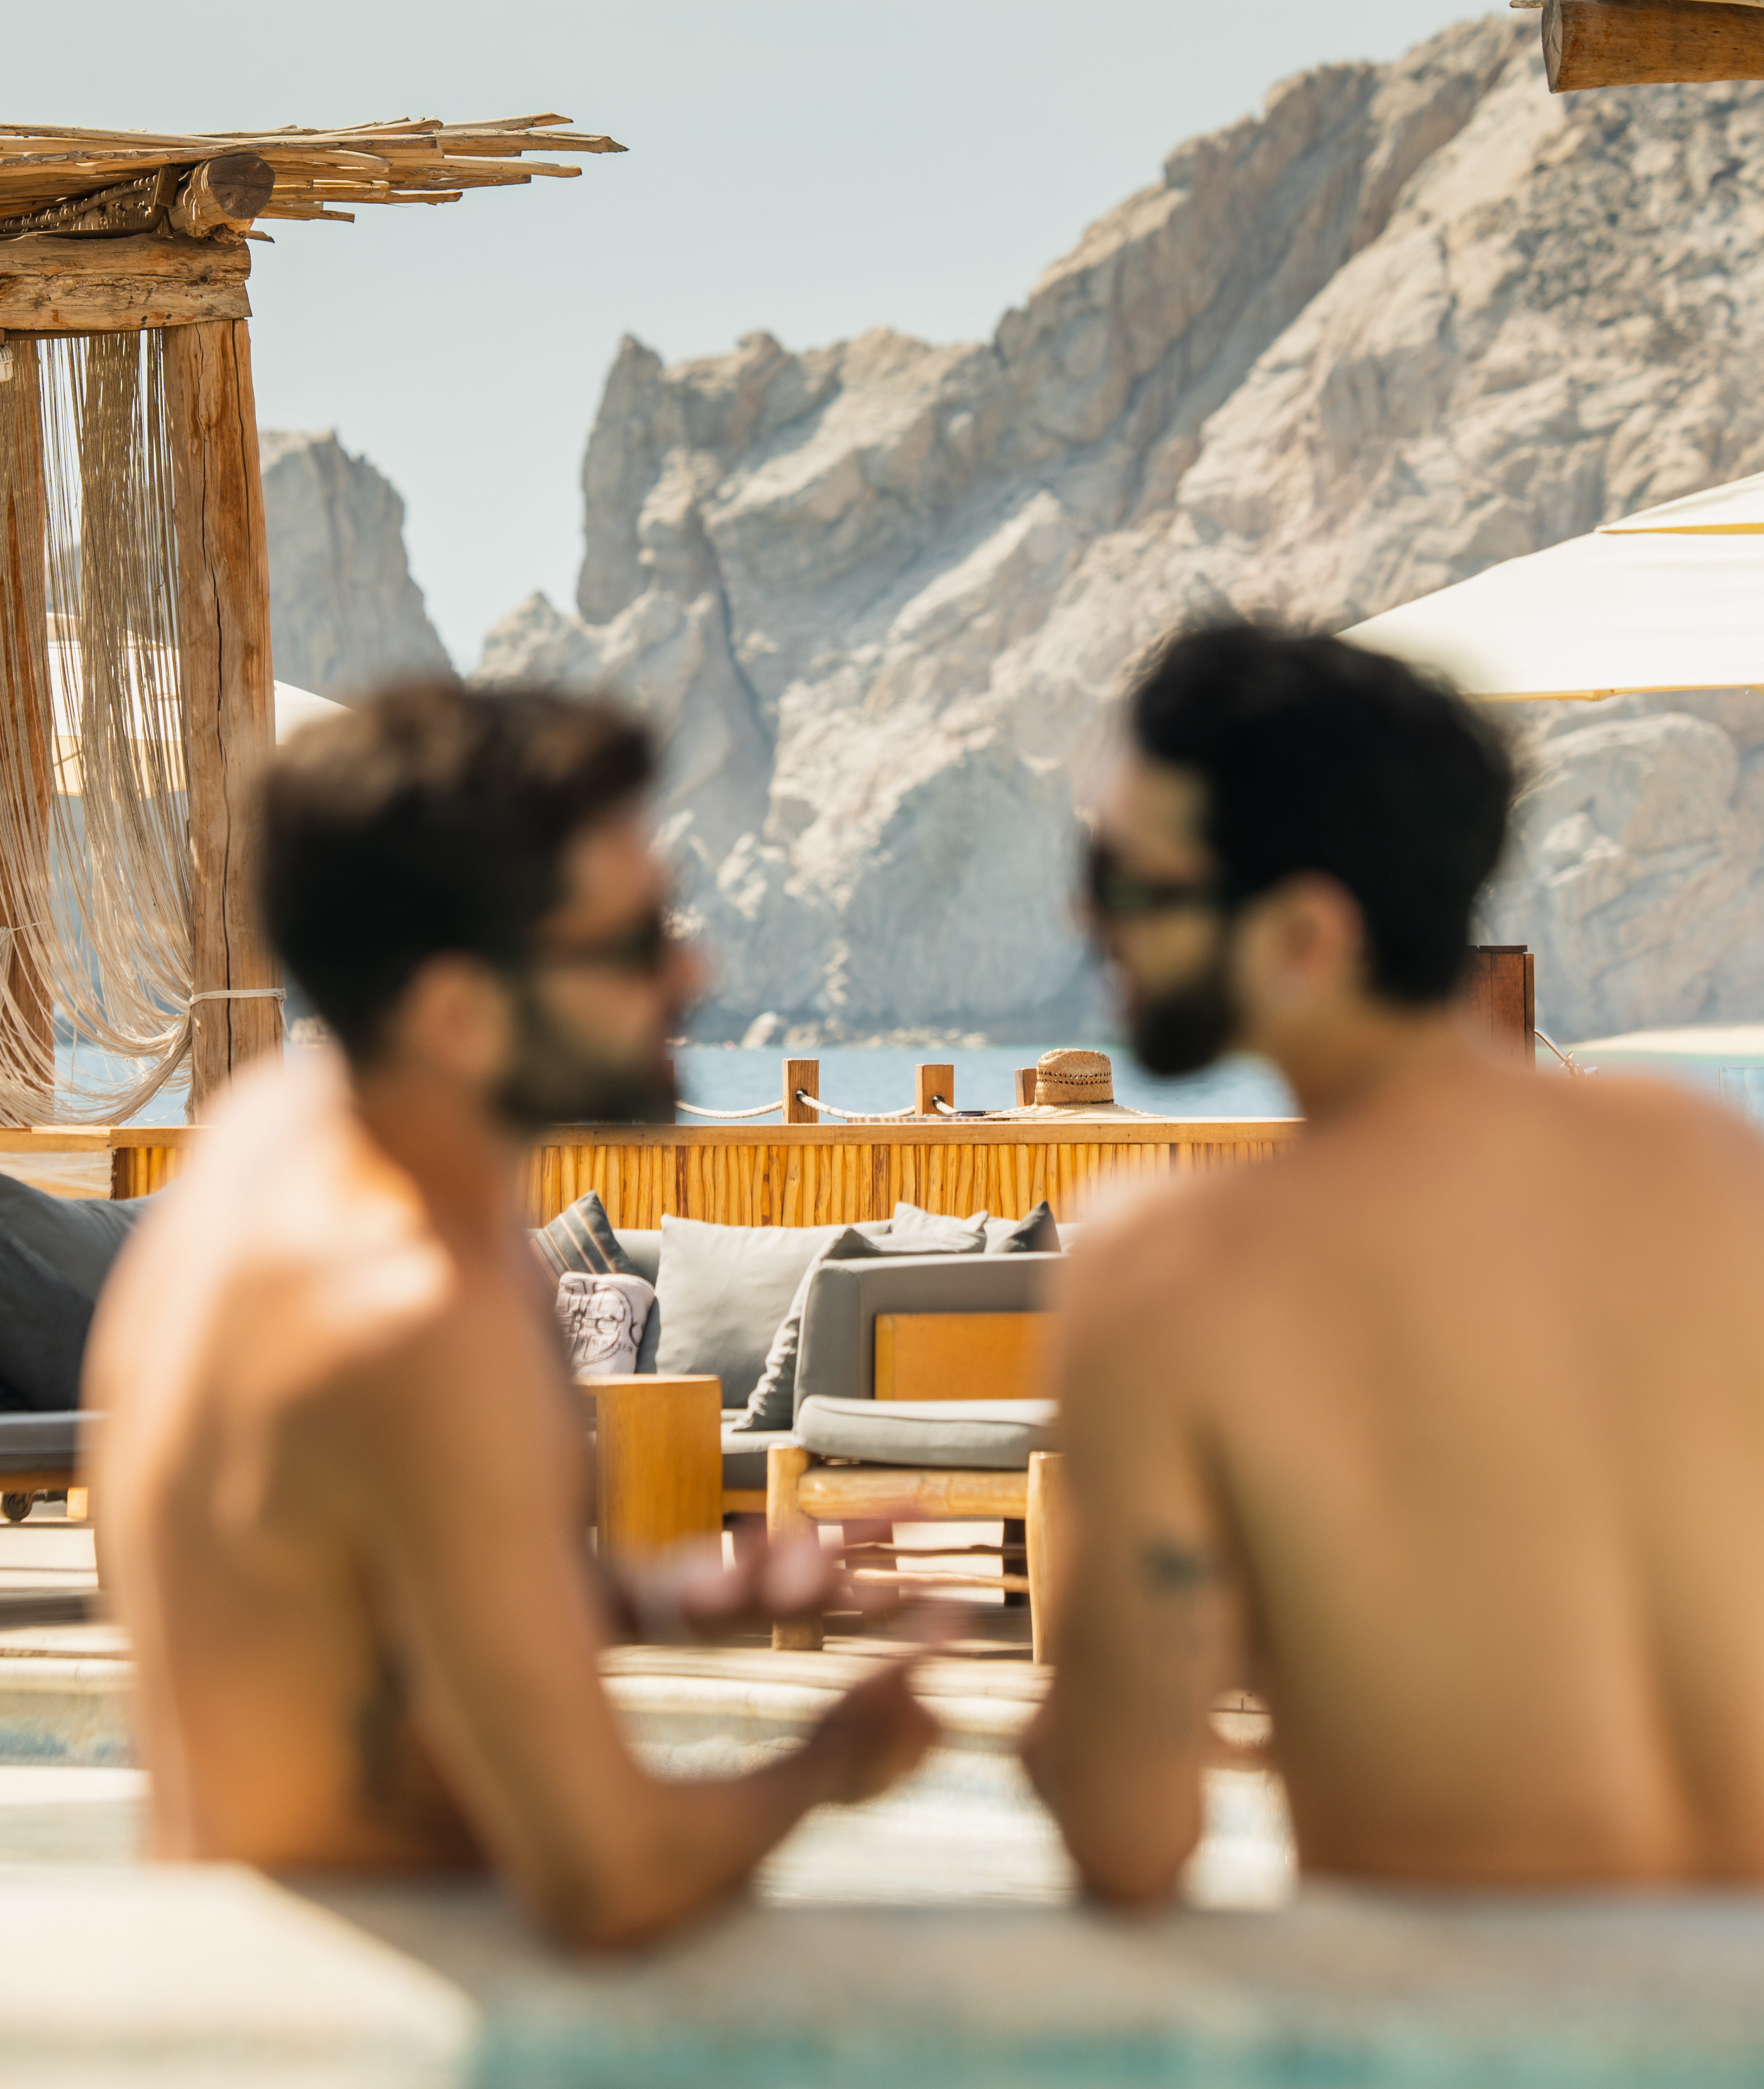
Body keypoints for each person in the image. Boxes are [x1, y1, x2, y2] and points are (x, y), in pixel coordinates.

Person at [88, 681, 932, 1942]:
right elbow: (610, 1877)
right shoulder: (411, 1316)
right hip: (384, 2039)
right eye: (634, 945)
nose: (691, 970)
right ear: (458, 1015)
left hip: (254, 1992)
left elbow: (353, 1609)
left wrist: (670, 1597)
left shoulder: (269, 1143)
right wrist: (836, 1761)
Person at [1026, 619, 1764, 1899]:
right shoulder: (1715, 1166)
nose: (1085, 915)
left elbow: (1129, 1829)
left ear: (1306, 937)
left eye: (1129, 880)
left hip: (1477, 2021)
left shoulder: (1173, 1270)